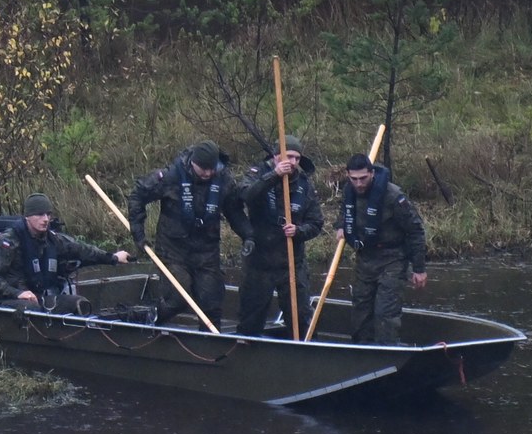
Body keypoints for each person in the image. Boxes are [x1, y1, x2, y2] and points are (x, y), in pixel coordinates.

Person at [128, 139, 253, 329]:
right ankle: (148, 320)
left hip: (207, 251)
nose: (208, 173)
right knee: (177, 298)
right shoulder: (171, 176)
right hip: (173, 249)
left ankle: (210, 347)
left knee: (212, 303)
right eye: (203, 169)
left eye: (212, 169)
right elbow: (138, 196)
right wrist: (138, 233)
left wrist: (248, 235)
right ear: (193, 162)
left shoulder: (224, 180)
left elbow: (234, 211)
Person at [0, 193, 129, 315]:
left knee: (78, 303)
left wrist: (113, 258)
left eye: (48, 214)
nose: (45, 219)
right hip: (7, 299)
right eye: (40, 214)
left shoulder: (52, 239)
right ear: (27, 216)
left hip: (37, 298)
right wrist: (17, 293)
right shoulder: (8, 241)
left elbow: (82, 250)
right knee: (31, 310)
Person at [236, 136, 324, 337]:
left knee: (301, 317)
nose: (292, 162)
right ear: (276, 157)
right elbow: (246, 195)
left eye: (297, 158)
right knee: (251, 317)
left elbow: (317, 223)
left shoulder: (304, 185)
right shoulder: (257, 174)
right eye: (288, 157)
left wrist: (299, 231)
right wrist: (274, 176)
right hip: (260, 261)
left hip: (292, 262)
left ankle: (303, 354)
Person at [335, 154, 427, 345]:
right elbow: (345, 210)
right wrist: (341, 225)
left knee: (385, 313)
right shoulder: (349, 191)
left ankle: (387, 352)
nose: (359, 184)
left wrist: (419, 268)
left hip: (392, 259)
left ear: (372, 174)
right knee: (360, 309)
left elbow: (415, 230)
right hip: (365, 259)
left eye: (363, 178)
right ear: (348, 176)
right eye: (354, 179)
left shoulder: (393, 196)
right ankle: (361, 353)